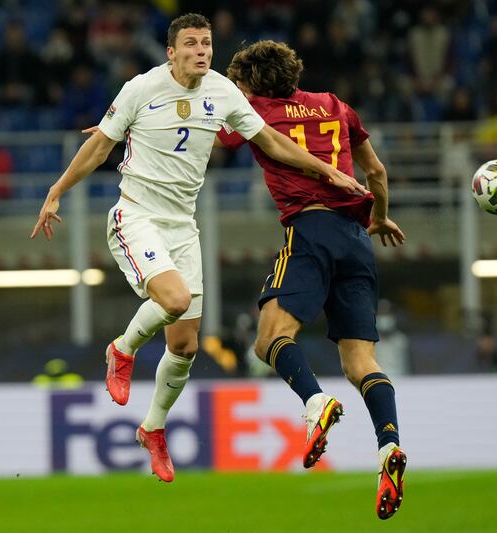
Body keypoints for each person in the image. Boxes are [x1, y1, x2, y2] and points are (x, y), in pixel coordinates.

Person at [31, 14, 366, 484]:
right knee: (174, 300)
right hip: (138, 215)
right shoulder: (140, 89)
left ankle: (152, 429)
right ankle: (121, 350)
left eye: (206, 43)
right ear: (171, 52)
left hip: (182, 229)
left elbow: (270, 140)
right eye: (190, 43)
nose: (201, 51)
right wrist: (57, 189)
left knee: (185, 345)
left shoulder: (223, 92)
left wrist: (324, 170)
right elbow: (100, 147)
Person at [218, 40, 407, 519]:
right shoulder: (335, 106)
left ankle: (315, 401)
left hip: (310, 230)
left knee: (268, 340)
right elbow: (377, 173)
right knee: (361, 360)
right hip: (356, 240)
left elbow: (214, 136)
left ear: (252, 83)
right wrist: (380, 218)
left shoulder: (254, 109)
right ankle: (389, 448)